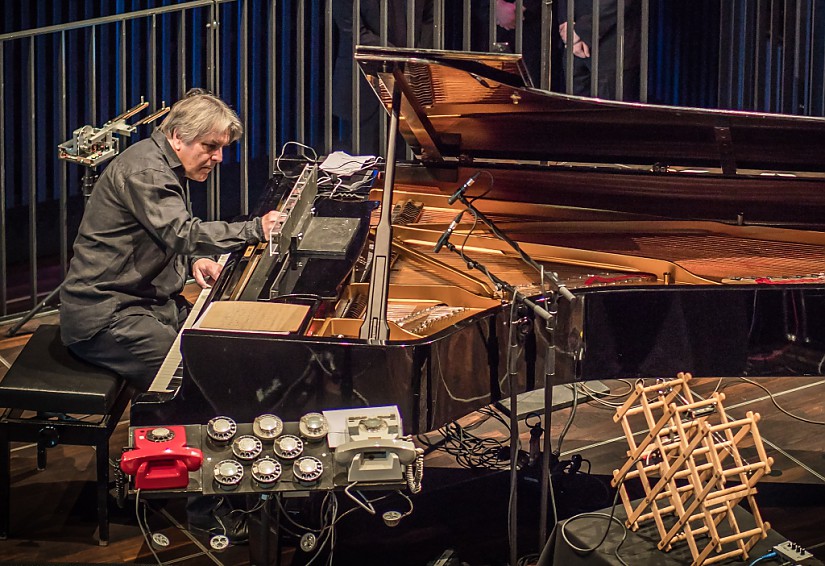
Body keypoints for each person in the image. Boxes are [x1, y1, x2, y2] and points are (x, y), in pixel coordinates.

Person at [59, 89, 280, 393]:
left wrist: (194, 260)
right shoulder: (147, 172)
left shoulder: (163, 164)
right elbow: (182, 233)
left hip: (149, 303)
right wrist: (254, 230)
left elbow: (164, 234)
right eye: (210, 146)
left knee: (223, 347)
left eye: (222, 148)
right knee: (196, 380)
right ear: (177, 136)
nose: (218, 157)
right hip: (107, 316)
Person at [331, 0, 433, 156]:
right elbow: (352, 29)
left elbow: (430, 18)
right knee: (364, 166)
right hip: (363, 84)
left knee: (406, 167)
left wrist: (415, 55)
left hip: (409, 82)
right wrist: (397, 55)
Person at [556, 0, 642, 100]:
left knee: (610, 113)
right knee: (576, 113)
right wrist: (567, 26)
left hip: (613, 48)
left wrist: (580, 31)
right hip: (574, 48)